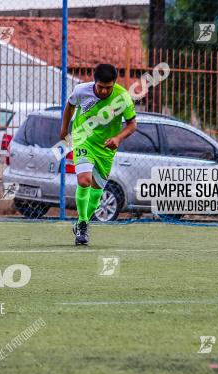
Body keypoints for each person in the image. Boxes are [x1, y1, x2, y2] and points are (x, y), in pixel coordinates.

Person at [59, 63, 136, 246]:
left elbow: (132, 125)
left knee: (96, 192)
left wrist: (118, 138)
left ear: (114, 84)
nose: (103, 91)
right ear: (95, 82)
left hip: (106, 148)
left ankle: (81, 222)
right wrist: (64, 132)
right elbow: (69, 106)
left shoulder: (123, 97)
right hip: (83, 139)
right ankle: (84, 225)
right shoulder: (81, 91)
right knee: (84, 180)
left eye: (108, 88)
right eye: (100, 87)